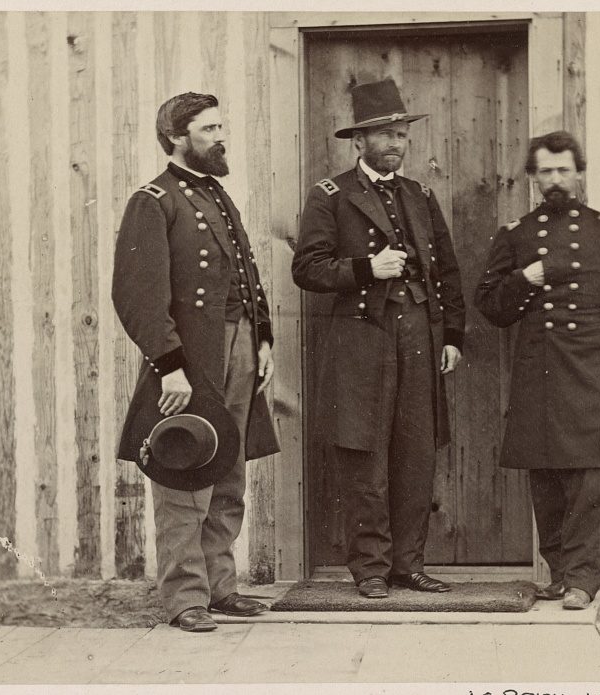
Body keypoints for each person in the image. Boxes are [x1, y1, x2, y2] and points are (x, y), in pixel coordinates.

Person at [292, 78, 465, 599]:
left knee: (416, 451)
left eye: (400, 134)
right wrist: (369, 267)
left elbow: (447, 273)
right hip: (361, 340)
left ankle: (406, 565)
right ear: (358, 142)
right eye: (383, 135)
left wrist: (452, 335)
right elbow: (307, 268)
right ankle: (370, 569)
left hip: (418, 334)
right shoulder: (330, 195)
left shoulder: (420, 195)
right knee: (364, 453)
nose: (395, 143)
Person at [112, 92, 279, 632]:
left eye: (220, 125)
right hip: (192, 358)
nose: (220, 136)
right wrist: (170, 366)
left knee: (227, 470)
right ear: (178, 138)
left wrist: (263, 340)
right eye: (209, 129)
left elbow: (245, 278)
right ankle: (186, 598)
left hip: (239, 349)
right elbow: (137, 296)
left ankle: (221, 588)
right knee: (185, 472)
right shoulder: (153, 200)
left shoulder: (215, 194)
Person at [474, 130, 600, 609]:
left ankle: (583, 580)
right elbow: (490, 305)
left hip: (592, 364)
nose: (555, 179)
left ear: (578, 173)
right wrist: (525, 277)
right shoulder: (516, 234)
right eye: (545, 171)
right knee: (546, 474)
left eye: (563, 169)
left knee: (593, 474)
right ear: (532, 178)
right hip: (538, 366)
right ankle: (558, 573)